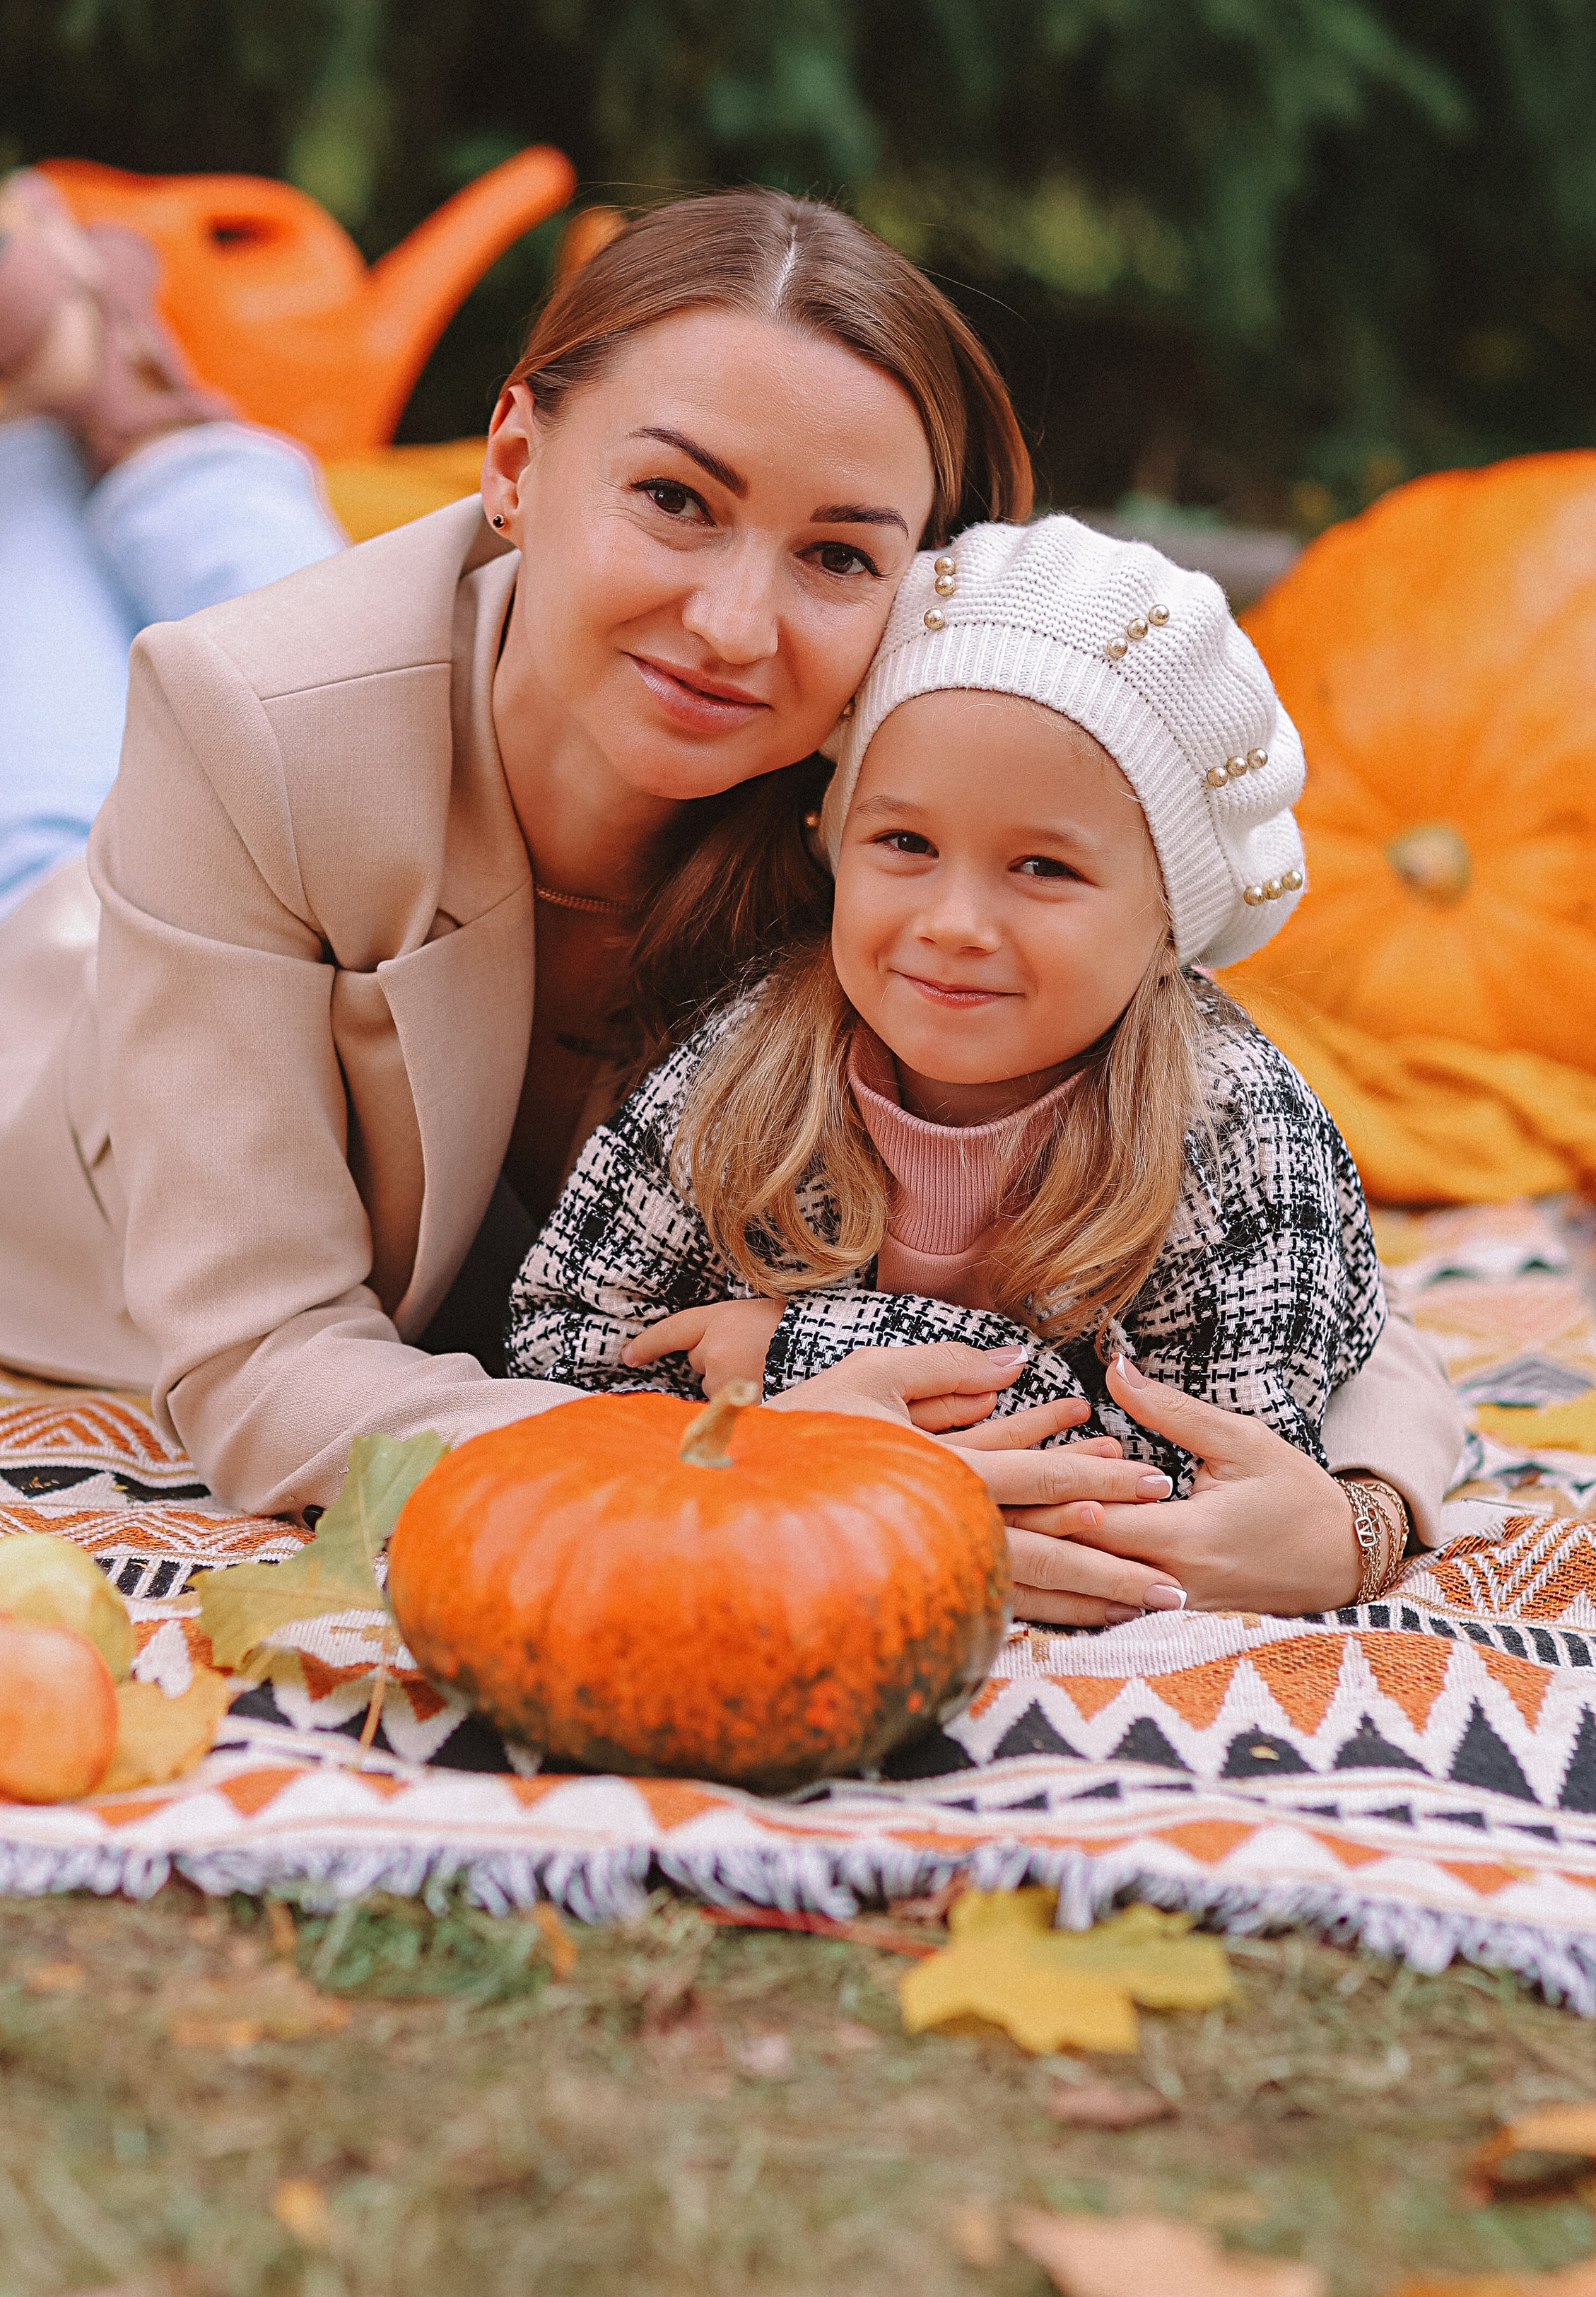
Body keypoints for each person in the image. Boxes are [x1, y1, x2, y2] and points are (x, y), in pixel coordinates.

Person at [0, 176, 1453, 1628]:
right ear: (511, 454)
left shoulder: (908, 822)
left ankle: (145, 397)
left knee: (323, 618)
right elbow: (265, 1363)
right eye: (675, 498)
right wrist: (743, 1468)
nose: (737, 624)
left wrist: (1357, 1511)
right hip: (73, 1004)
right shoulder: (241, 725)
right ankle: (41, 442)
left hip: (449, 679)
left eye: (835, 555)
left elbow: (1261, 1194)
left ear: (919, 590)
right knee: (46, 696)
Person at [507, 517, 1463, 1620]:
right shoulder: (748, 1066)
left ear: (1168, 921)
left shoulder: (1233, 1129)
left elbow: (1195, 1489)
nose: (955, 924)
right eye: (905, 845)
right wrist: (835, 1426)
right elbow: (561, 1344)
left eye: (1044, 866)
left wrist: (792, 1354)